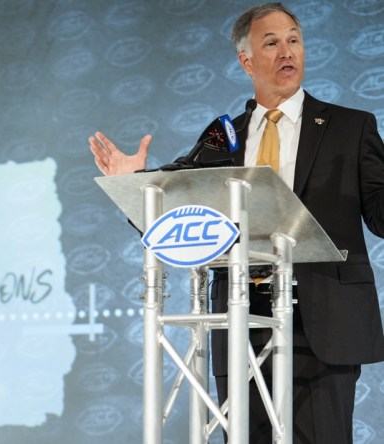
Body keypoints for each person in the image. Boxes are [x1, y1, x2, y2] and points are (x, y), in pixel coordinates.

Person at [89, 3, 384, 443]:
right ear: (246, 61)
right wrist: (135, 186)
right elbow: (180, 214)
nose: (287, 51)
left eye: (294, 39)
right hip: (238, 317)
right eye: (272, 42)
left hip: (319, 318)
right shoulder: (223, 136)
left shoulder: (350, 127)